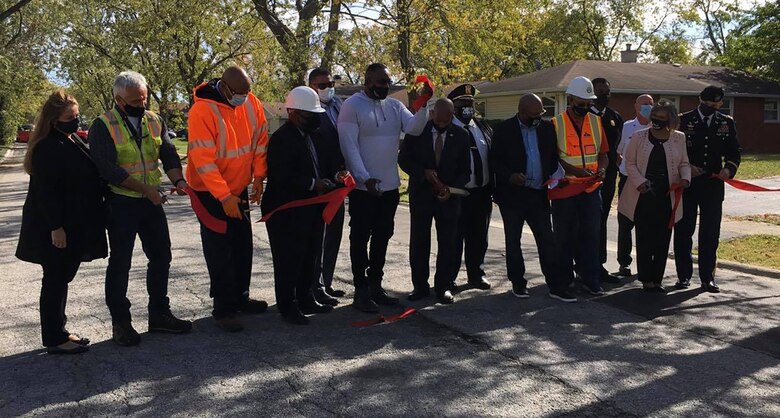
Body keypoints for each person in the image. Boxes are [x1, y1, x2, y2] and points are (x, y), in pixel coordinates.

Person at [89, 71, 192, 346]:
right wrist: (146, 190)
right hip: (121, 201)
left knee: (161, 257)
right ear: (119, 99)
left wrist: (178, 179)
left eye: (144, 98)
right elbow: (107, 168)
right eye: (136, 100)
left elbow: (168, 152)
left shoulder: (154, 119)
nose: (142, 104)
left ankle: (159, 314)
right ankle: (121, 323)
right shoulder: (103, 124)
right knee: (121, 262)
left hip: (150, 202)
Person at [16, 91, 108, 354]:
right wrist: (56, 227)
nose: (76, 121)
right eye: (70, 117)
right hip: (56, 227)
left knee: (61, 278)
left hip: (74, 223)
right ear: (54, 120)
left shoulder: (71, 140)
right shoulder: (48, 147)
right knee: (55, 279)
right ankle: (55, 338)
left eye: (77, 116)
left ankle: (60, 329)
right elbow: (44, 192)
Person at [337, 63, 430, 313]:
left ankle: (376, 285)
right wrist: (364, 178)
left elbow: (415, 128)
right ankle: (361, 290)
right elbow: (349, 146)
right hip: (363, 189)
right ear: (367, 81)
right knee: (360, 237)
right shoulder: (352, 106)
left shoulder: (394, 105)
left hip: (389, 187)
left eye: (388, 82)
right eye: (380, 82)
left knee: (383, 237)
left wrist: (423, 104)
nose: (385, 87)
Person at [186, 66, 270, 332]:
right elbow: (203, 160)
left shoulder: (250, 100)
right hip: (210, 193)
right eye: (239, 93)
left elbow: (260, 139)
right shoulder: (202, 111)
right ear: (224, 87)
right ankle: (223, 308)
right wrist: (223, 196)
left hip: (238, 188)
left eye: (247, 92)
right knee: (220, 250)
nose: (244, 97)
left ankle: (241, 298)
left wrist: (259, 176)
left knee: (242, 245)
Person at [262, 86, 348, 325]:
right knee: (288, 259)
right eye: (310, 114)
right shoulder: (281, 139)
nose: (315, 119)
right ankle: (288, 306)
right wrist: (313, 183)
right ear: (293, 113)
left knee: (309, 255)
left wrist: (336, 175)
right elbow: (282, 176)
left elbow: (324, 163)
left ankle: (306, 297)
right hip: (286, 210)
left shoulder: (312, 135)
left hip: (311, 208)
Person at [491, 94, 576, 302]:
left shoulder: (546, 128)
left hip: (538, 194)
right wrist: (509, 176)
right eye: (533, 115)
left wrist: (557, 176)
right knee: (513, 241)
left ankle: (556, 286)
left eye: (541, 114)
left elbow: (553, 158)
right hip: (513, 196)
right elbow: (493, 161)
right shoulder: (504, 130)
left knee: (548, 240)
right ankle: (518, 283)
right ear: (521, 112)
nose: (538, 118)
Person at [399, 98, 470, 304]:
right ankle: (419, 286)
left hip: (448, 199)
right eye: (438, 121)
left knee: (448, 243)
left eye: (446, 122)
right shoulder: (417, 132)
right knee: (419, 242)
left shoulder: (461, 136)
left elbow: (466, 171)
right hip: (421, 196)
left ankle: (443, 286)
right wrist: (423, 173)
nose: (441, 125)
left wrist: (450, 188)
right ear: (432, 114)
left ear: (451, 118)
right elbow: (403, 160)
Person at [674, 86, 741, 293]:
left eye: (716, 105)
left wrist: (728, 170)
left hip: (713, 184)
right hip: (688, 183)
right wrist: (685, 168)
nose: (711, 108)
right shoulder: (683, 120)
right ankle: (683, 275)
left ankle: (707, 277)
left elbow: (734, 151)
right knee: (684, 230)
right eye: (708, 104)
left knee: (710, 232)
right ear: (700, 99)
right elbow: (674, 151)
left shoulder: (726, 122)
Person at [619, 101, 691, 292]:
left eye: (662, 118)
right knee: (644, 237)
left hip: (667, 195)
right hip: (643, 193)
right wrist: (640, 182)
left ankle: (657, 279)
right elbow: (630, 162)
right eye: (655, 117)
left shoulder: (679, 138)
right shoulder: (639, 136)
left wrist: (685, 178)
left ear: (671, 119)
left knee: (663, 237)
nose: (657, 121)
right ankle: (646, 278)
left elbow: (684, 162)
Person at [551, 76, 610, 296]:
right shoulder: (556, 123)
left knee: (591, 236)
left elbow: (603, 154)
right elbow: (553, 158)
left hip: (591, 190)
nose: (585, 107)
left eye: (588, 104)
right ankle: (564, 280)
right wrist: (575, 171)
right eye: (581, 103)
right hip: (566, 189)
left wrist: (602, 168)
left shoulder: (596, 122)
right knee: (564, 236)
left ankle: (589, 278)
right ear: (571, 99)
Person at [308, 67, 347, 305]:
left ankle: (327, 282)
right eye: (322, 85)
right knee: (317, 238)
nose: (327, 88)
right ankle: (314, 286)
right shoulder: (309, 110)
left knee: (334, 235)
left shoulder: (340, 106)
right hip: (320, 183)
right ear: (312, 86)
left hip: (339, 181)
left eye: (330, 83)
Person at [449, 84, 492, 290]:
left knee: (479, 237)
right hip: (457, 193)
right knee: (454, 238)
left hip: (481, 192)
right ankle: (449, 277)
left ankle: (477, 274)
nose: (468, 107)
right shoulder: (448, 127)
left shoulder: (483, 127)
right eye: (463, 103)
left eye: (471, 103)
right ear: (454, 106)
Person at [614, 94, 654, 277]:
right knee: (625, 224)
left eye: (651, 104)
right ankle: (624, 263)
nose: (648, 106)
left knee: (647, 225)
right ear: (636, 106)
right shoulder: (627, 127)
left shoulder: (657, 128)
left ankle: (646, 263)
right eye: (644, 104)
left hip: (649, 183)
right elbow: (618, 151)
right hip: (628, 181)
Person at [590, 78, 624, 284]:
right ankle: (581, 264)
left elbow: (616, 147)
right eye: (599, 91)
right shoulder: (583, 115)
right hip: (585, 176)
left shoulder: (615, 117)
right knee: (585, 222)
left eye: (607, 91)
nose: (604, 95)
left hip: (608, 177)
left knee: (601, 220)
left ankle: (599, 264)